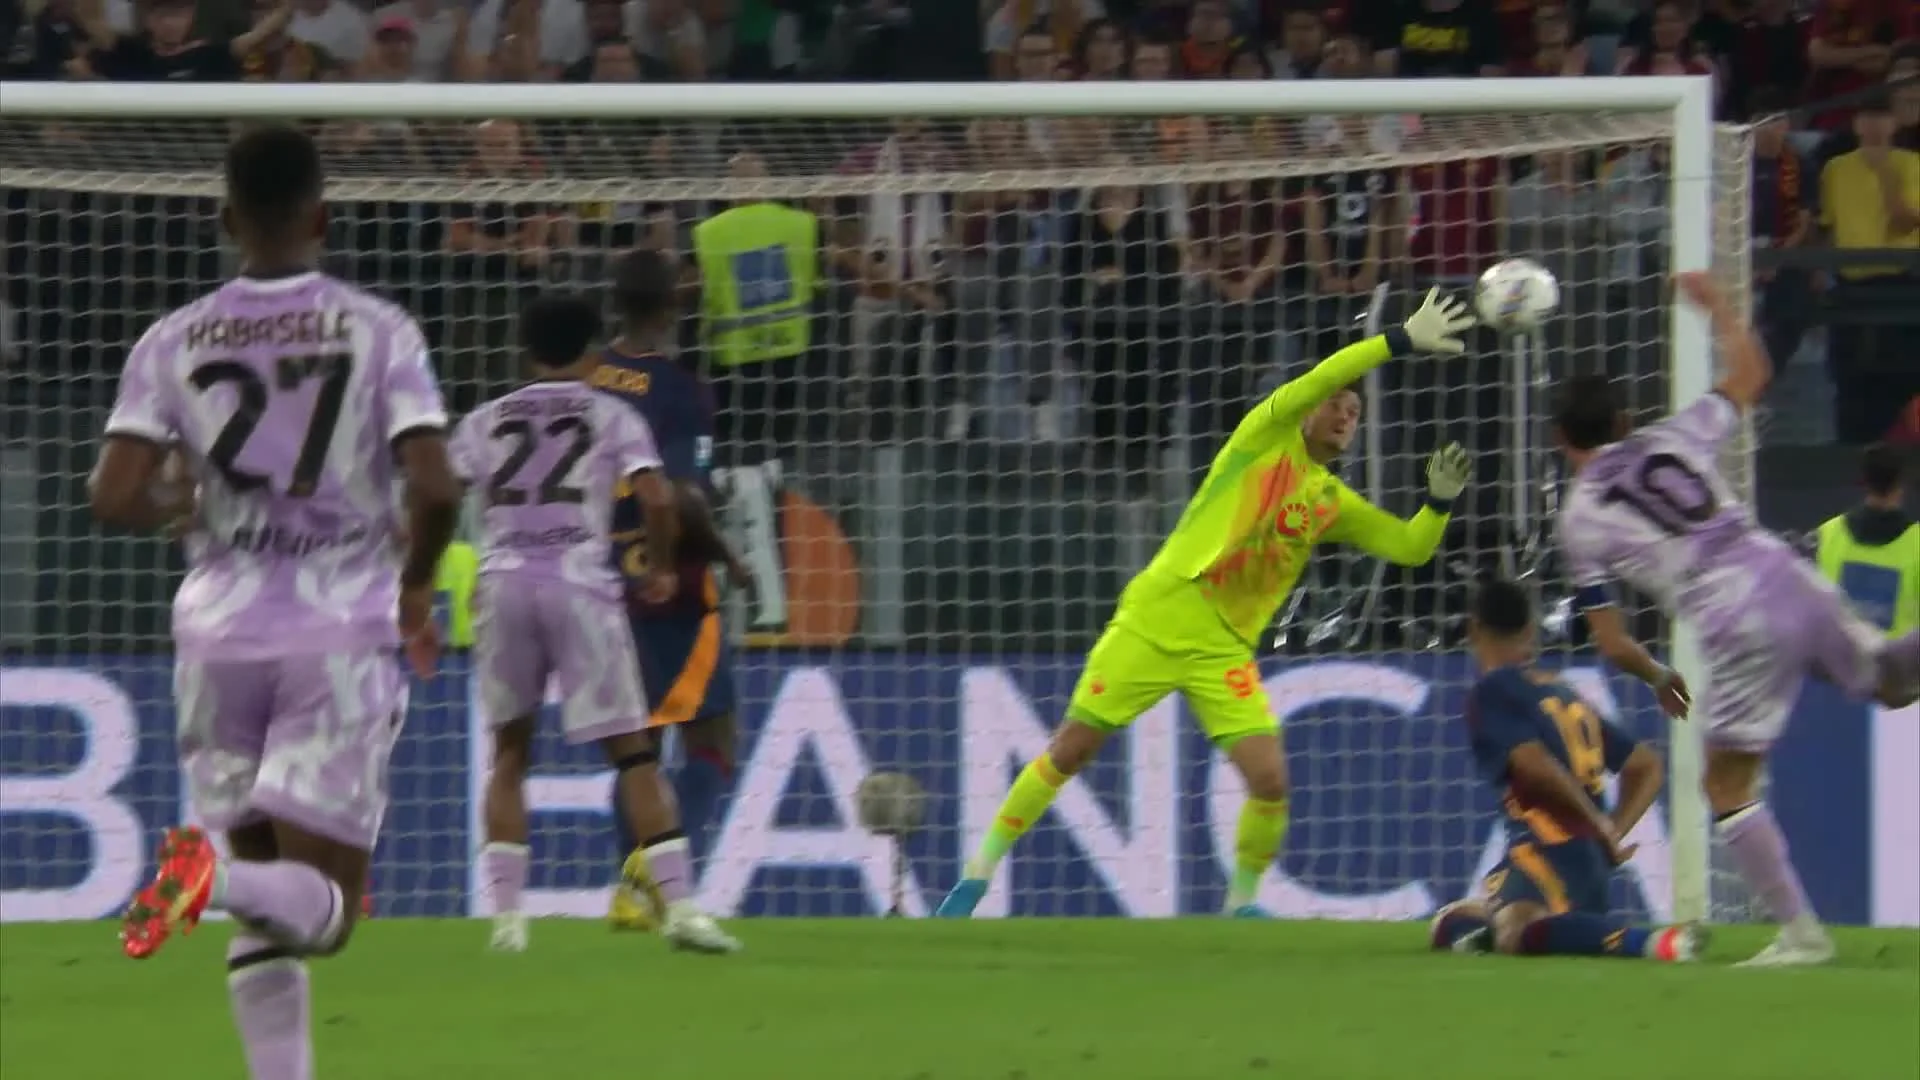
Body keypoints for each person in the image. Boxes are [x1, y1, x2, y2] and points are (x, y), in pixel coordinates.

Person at [91, 124, 464, 1079]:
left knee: (270, 909)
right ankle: (210, 876)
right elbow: (436, 484)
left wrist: (182, 505)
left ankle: (226, 899)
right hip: (335, 630)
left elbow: (114, 494)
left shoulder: (172, 339)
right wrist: (417, 586)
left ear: (226, 220)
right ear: (321, 217)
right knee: (328, 915)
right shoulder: (379, 329)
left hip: (216, 636)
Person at [936, 290, 1478, 918]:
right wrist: (1397, 341)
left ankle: (1241, 906)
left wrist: (1438, 503)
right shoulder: (1263, 438)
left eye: (1354, 411)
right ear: (1307, 409)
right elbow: (1324, 374)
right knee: (1071, 750)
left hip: (1223, 648)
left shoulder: (1330, 501)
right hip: (1161, 614)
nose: (1343, 414)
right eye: (1335, 403)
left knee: (1270, 781)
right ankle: (976, 876)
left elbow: (1409, 547)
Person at [1554, 271, 1920, 967]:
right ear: (1624, 423)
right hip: (1786, 570)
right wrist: (1719, 306)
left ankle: (1802, 936)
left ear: (1559, 437)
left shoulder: (1578, 520)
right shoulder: (1671, 437)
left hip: (1733, 613)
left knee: (1724, 785)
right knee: (1891, 682)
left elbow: (1610, 639)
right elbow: (1752, 374)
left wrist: (1658, 674)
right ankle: (1799, 935)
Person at [451, 291, 736, 956]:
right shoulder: (612, 414)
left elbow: (434, 493)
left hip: (505, 585)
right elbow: (658, 497)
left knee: (510, 756)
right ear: (590, 352)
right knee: (634, 754)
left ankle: (507, 923)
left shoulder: (484, 419)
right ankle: (681, 907)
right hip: (581, 585)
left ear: (526, 351)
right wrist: (660, 567)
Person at [590, 249, 750, 938]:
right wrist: (729, 556)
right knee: (713, 738)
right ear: (674, 304)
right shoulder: (681, 390)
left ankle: (630, 892)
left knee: (638, 749)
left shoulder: (586, 378)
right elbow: (682, 494)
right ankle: (644, 876)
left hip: (597, 582)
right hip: (670, 587)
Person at [1426, 580, 1703, 963]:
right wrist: (1611, 831)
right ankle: (1550, 933)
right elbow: (1646, 766)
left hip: (1547, 847)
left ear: (1474, 628)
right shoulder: (1560, 691)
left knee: (1512, 930)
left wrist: (1601, 825)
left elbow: (1533, 764)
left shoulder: (1493, 689)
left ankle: (1651, 943)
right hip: (1586, 861)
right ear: (1530, 630)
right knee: (1450, 922)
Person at [1813, 442, 1918, 637]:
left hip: (1839, 654)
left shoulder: (1826, 533)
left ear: (1865, 482)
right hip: (1896, 656)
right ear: (1901, 486)